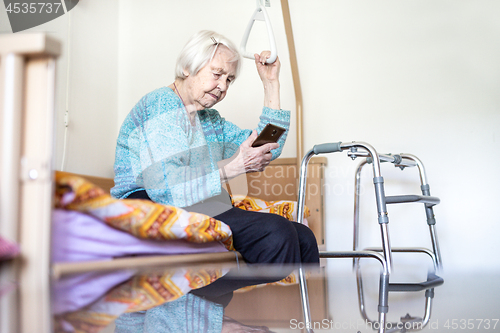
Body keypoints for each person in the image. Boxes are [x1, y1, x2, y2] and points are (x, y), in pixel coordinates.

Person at [111, 30, 319, 307]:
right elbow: (165, 190)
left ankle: (202, 291)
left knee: (303, 239)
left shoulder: (210, 120)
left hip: (195, 204)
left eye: (229, 79)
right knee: (276, 234)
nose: (223, 86)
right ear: (187, 68)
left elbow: (266, 146)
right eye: (217, 74)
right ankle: (195, 290)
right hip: (147, 205)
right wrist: (232, 169)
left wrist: (271, 84)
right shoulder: (161, 105)